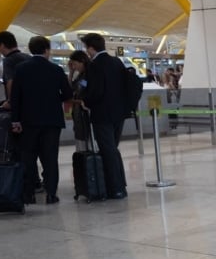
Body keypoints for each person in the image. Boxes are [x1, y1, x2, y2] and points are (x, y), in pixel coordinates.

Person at [9, 36, 72, 204]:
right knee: (50, 158)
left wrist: (15, 120)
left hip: (28, 120)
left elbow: (15, 96)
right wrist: (53, 98)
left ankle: (29, 193)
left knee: (28, 157)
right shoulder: (56, 69)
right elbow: (67, 95)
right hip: (52, 121)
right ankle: (51, 193)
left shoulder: (21, 69)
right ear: (47, 50)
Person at [80, 33, 129, 199]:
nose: (86, 51)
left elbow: (95, 90)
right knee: (112, 149)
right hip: (119, 113)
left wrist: (86, 100)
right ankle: (120, 185)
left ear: (91, 48)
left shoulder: (94, 65)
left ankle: (115, 188)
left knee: (108, 150)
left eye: (86, 48)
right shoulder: (117, 61)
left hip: (102, 114)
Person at [67, 50, 91, 152]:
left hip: (85, 115)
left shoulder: (88, 75)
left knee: (86, 144)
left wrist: (77, 100)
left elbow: (81, 91)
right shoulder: (80, 76)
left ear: (82, 61)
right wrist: (71, 72)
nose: (74, 67)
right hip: (78, 115)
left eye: (75, 64)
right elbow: (70, 88)